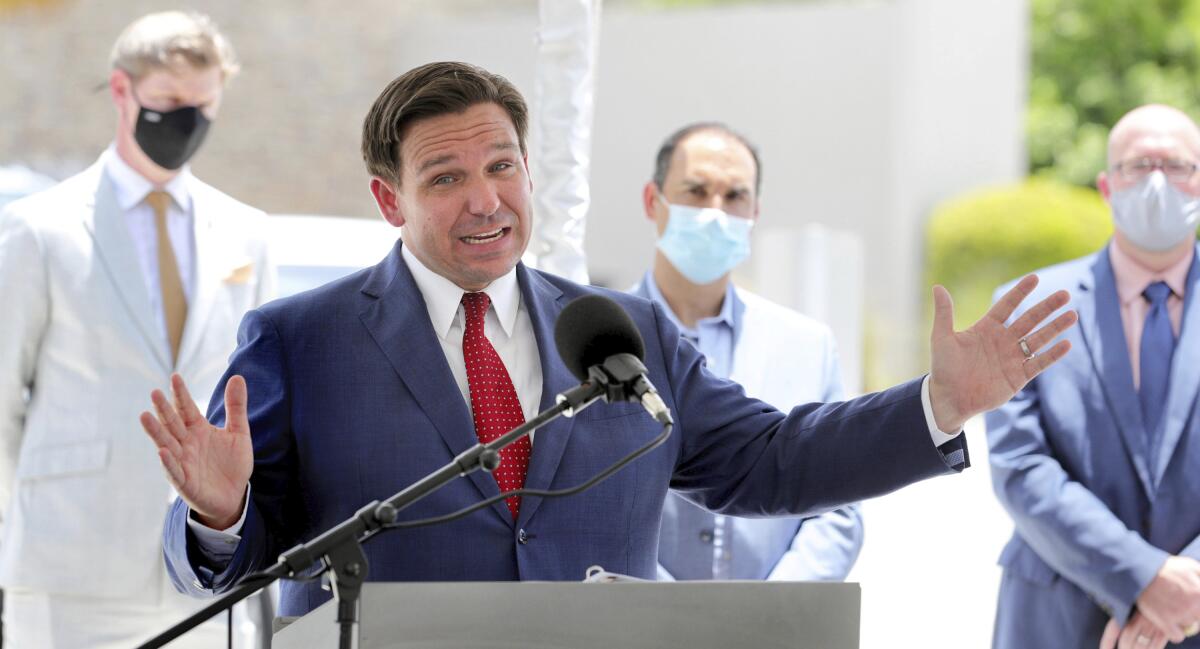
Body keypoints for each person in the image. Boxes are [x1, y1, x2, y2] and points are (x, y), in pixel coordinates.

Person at [140, 61, 1074, 622]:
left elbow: (771, 459)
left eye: (503, 165)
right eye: (446, 176)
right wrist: (221, 515)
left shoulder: (619, 330)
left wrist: (938, 404)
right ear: (390, 199)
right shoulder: (301, 340)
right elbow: (250, 556)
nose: (485, 198)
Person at [0, 11, 274, 648]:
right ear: (122, 92)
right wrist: (25, 526)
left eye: (205, 106)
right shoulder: (39, 229)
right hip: (70, 572)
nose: (189, 122)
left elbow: (255, 396)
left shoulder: (248, 232)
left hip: (207, 573)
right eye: (171, 103)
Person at [987, 104, 1200, 649]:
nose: (1157, 182)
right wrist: (1142, 577)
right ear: (1107, 186)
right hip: (1057, 618)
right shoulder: (1027, 307)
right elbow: (1020, 466)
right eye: (1138, 166)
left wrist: (1181, 593)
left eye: (1177, 165)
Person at [634, 122, 862, 581]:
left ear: (754, 211)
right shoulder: (598, 342)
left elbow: (836, 500)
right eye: (696, 191)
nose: (715, 211)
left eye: (734, 196)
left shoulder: (807, 344)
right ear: (652, 201)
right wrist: (666, 615)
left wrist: (776, 611)